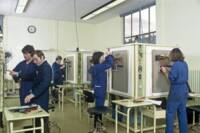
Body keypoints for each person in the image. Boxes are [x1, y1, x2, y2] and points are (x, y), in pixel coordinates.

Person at [161, 48, 189, 133]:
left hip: (176, 91)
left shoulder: (176, 65)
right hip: (184, 89)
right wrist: (170, 71)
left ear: (173, 55)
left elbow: (171, 79)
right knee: (182, 113)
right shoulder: (184, 64)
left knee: (170, 113)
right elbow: (179, 75)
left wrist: (165, 71)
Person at [24, 50, 52, 133]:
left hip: (42, 98)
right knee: (37, 119)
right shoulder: (39, 66)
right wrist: (18, 74)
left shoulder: (46, 67)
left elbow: (45, 84)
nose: (35, 62)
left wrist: (32, 94)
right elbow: (33, 77)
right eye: (34, 60)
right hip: (37, 98)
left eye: (36, 59)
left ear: (42, 57)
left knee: (43, 120)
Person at [89, 51, 114, 132]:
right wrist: (110, 55)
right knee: (99, 109)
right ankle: (97, 126)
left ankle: (98, 125)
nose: (104, 57)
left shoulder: (95, 66)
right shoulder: (100, 67)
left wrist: (106, 57)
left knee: (98, 108)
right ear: (99, 58)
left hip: (96, 89)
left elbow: (105, 63)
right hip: (100, 91)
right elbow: (110, 64)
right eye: (103, 56)